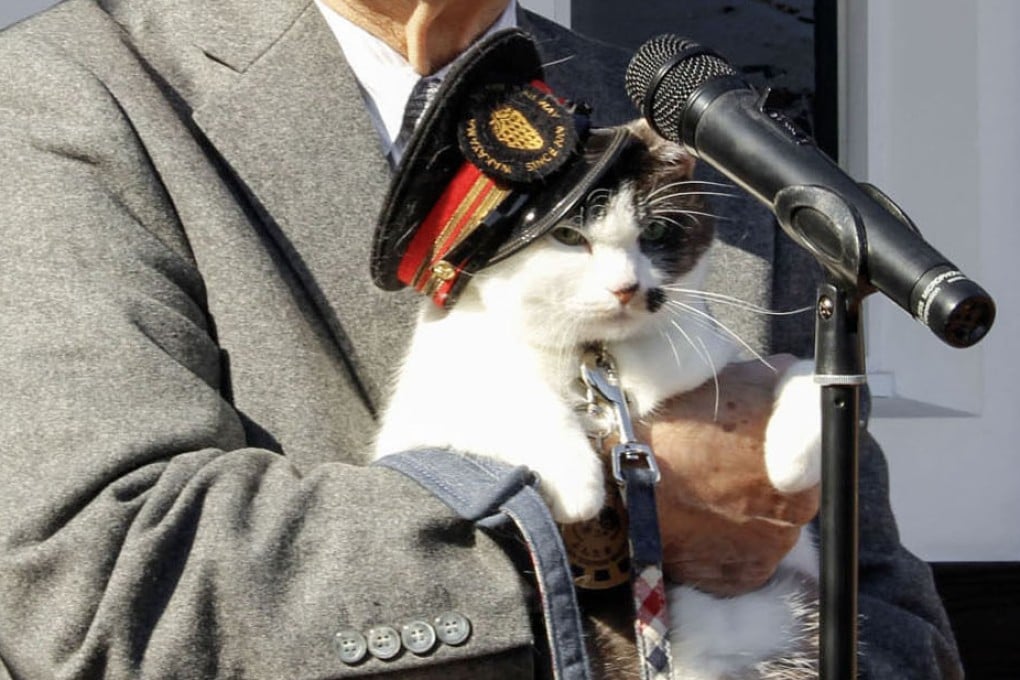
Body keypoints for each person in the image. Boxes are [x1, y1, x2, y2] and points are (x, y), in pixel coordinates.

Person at [0, 0, 961, 677]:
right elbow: (104, 582)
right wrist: (611, 518)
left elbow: (883, 605)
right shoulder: (74, 91)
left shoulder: (687, 133)